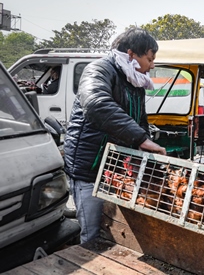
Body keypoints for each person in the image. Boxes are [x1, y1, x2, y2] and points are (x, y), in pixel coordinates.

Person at [64, 28, 166, 243]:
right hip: (89, 167)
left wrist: (147, 146)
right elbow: (96, 104)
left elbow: (140, 121)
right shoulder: (98, 70)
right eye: (149, 59)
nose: (152, 65)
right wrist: (140, 139)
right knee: (92, 232)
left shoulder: (134, 80)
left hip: (114, 168)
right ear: (131, 54)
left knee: (116, 230)